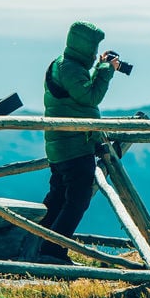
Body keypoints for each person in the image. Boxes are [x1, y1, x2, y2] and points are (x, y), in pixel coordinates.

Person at [37, 21, 122, 264]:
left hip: (63, 143)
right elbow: (91, 96)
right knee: (77, 199)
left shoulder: (64, 65)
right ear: (86, 46)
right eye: (94, 47)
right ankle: (53, 251)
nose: (96, 52)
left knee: (59, 198)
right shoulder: (71, 69)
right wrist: (105, 70)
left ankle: (36, 244)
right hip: (73, 144)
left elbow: (80, 95)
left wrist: (99, 67)